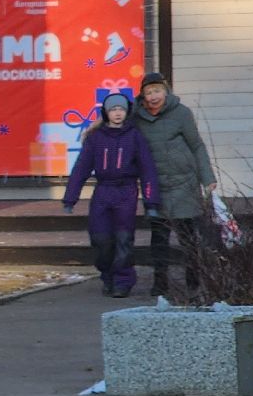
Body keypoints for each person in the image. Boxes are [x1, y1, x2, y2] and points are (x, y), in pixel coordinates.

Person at [63, 93, 159, 297]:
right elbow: (81, 168)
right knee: (101, 240)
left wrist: (151, 201)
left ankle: (123, 282)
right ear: (106, 113)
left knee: (124, 239)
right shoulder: (95, 138)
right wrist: (71, 197)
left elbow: (147, 170)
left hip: (126, 192)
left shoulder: (135, 136)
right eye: (113, 110)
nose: (117, 113)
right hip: (103, 192)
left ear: (127, 112)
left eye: (121, 109)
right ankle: (107, 275)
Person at [132, 71, 218, 296]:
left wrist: (207, 178)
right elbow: (113, 120)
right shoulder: (136, 116)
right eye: (148, 92)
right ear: (142, 95)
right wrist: (93, 130)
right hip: (156, 188)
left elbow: (197, 145)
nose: (153, 97)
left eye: (157, 91)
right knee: (159, 239)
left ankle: (194, 282)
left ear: (166, 91)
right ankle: (160, 284)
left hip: (184, 184)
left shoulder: (182, 113)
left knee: (188, 237)